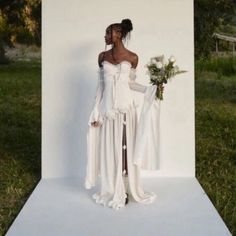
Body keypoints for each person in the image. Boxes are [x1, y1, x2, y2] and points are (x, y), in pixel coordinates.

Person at [85, 18, 161, 210]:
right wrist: (95, 112)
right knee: (112, 149)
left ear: (118, 35)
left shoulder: (133, 57)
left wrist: (152, 89)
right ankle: (113, 188)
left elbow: (131, 84)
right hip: (109, 112)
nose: (105, 36)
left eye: (108, 33)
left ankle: (127, 188)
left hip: (127, 109)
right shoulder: (102, 57)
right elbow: (101, 86)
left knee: (127, 148)